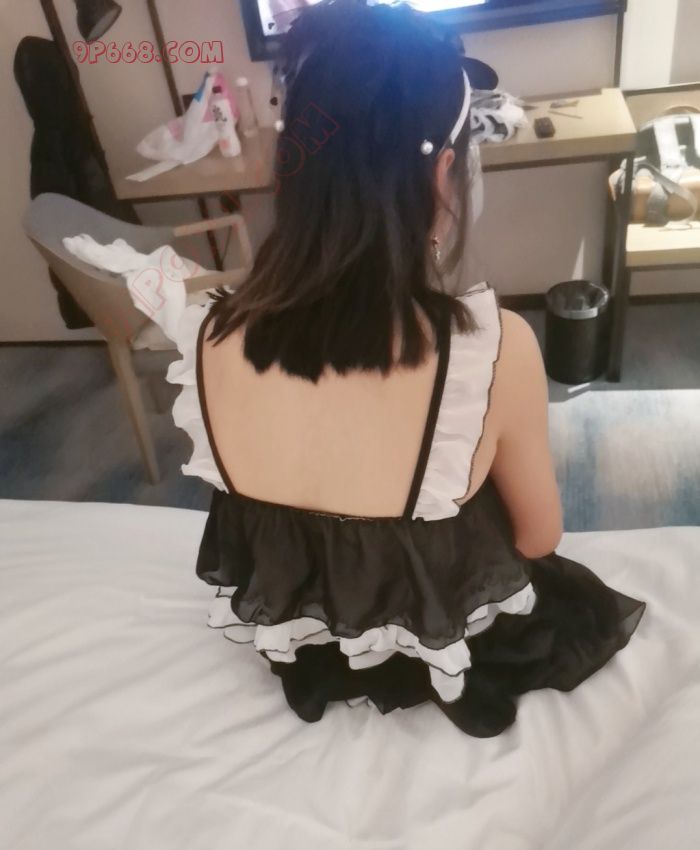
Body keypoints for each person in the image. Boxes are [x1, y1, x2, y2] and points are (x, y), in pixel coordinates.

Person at [138, 0, 645, 737]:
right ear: (443, 172)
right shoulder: (492, 351)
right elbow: (538, 538)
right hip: (447, 650)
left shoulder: (206, 333)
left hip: (313, 650)